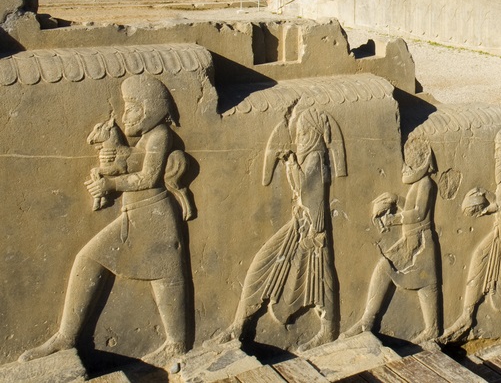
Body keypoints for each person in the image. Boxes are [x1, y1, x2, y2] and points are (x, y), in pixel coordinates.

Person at [21, 75, 190, 366]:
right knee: (90, 258)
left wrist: (111, 185)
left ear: (152, 108)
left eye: (133, 109)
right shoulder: (147, 139)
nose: (127, 116)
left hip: (153, 217)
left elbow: (149, 177)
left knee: (165, 278)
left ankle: (176, 344)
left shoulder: (160, 135)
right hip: (134, 216)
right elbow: (133, 162)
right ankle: (66, 336)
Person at [215, 103, 345, 350]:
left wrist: (290, 163)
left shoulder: (316, 158)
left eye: (303, 133)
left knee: (318, 276)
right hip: (301, 225)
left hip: (311, 231)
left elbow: (307, 194)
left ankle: (329, 329)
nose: (299, 138)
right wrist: (291, 162)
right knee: (264, 265)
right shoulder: (311, 157)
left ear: (314, 134)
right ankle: (239, 324)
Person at [345, 137, 439, 342]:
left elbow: (419, 214)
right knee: (387, 269)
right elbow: (411, 208)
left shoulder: (426, 184)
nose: (408, 165)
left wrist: (393, 219)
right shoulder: (418, 184)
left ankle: (432, 329)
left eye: (412, 161)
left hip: (420, 242)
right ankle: (367, 321)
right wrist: (395, 200)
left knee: (425, 283)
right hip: (411, 240)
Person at [441, 124, 501, 341]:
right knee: (481, 258)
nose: (497, 153)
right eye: (496, 149)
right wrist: (486, 194)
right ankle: (467, 314)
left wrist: (490, 207)